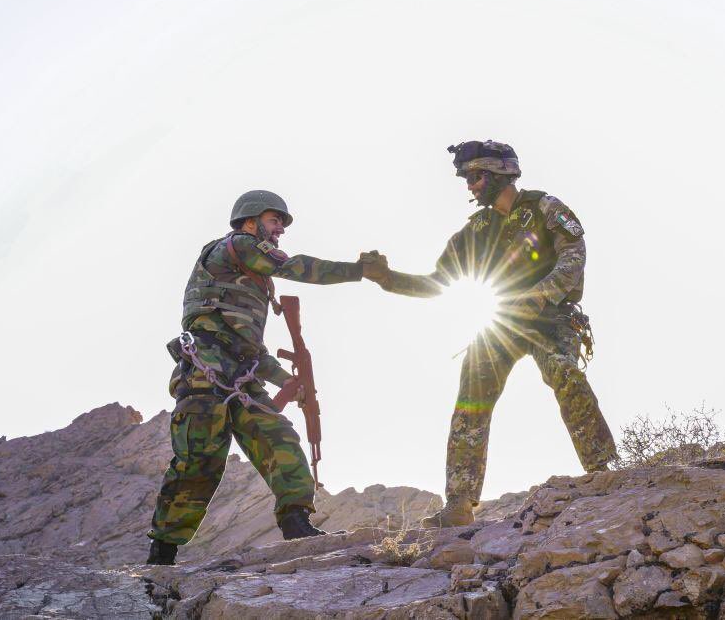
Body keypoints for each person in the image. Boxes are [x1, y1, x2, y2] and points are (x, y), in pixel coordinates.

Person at [362, 141, 617, 527]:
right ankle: (459, 504)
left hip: (550, 319)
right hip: (500, 323)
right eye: (467, 179)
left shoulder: (544, 208)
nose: (470, 186)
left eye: (477, 177)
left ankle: (604, 471)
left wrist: (539, 296)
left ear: (502, 174)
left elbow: (573, 258)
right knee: (471, 400)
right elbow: (438, 283)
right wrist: (388, 279)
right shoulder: (476, 230)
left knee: (566, 374)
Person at [146, 190, 384, 565]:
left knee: (279, 439)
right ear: (251, 219)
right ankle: (162, 552)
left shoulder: (255, 277)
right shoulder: (236, 246)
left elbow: (255, 352)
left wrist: (293, 384)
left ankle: (296, 523)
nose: (280, 231)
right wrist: (359, 270)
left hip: (242, 373)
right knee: (200, 459)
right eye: (276, 221)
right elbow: (296, 267)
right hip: (206, 366)